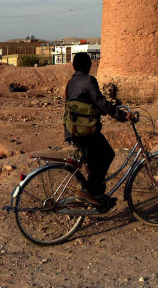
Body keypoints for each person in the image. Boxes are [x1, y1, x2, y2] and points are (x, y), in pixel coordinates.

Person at [63, 52, 136, 209]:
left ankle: (96, 195)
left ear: (73, 66)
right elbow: (102, 103)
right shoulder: (89, 81)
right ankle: (88, 191)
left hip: (71, 131)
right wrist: (123, 116)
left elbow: (86, 104)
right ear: (89, 66)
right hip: (85, 131)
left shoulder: (70, 83)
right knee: (108, 154)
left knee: (94, 161)